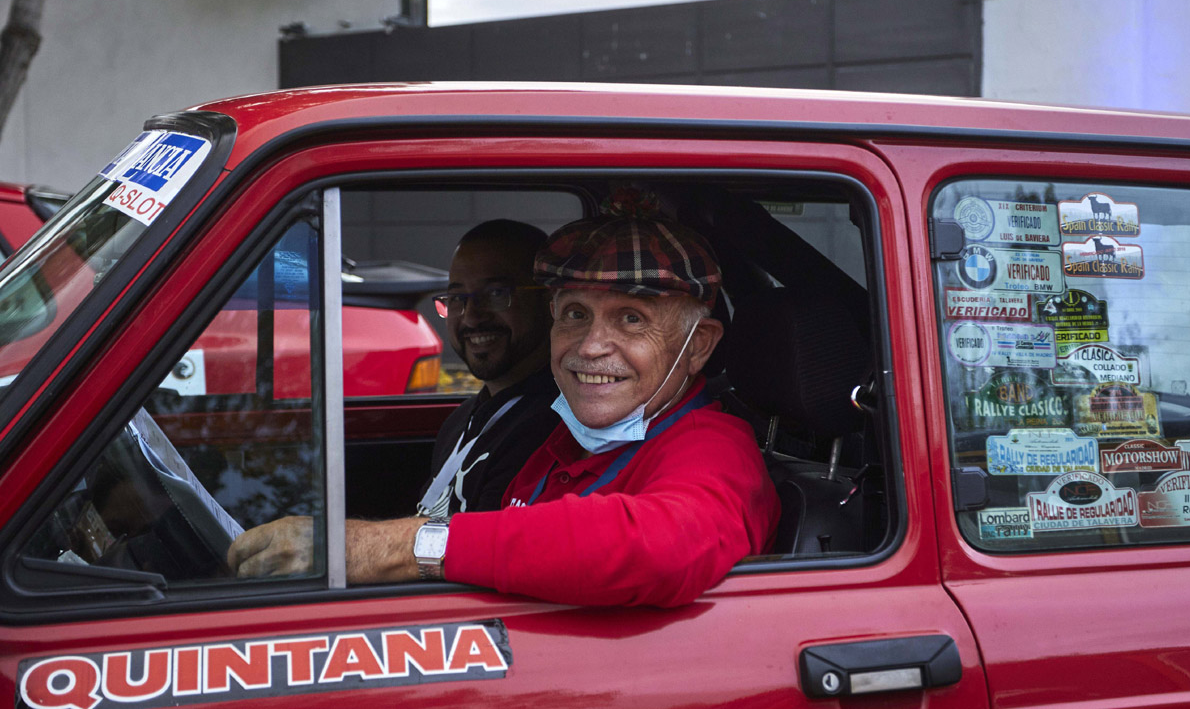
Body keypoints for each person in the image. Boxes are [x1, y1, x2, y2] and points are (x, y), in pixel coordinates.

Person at [229, 214, 779, 609]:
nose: (590, 347)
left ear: (698, 345)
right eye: (575, 315)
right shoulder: (570, 436)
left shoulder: (712, 445)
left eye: (631, 319)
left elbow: (658, 547)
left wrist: (391, 548)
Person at [419, 219, 559, 518]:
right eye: (457, 298)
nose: (471, 317)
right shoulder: (462, 420)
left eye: (495, 294)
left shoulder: (552, 428)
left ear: (549, 300)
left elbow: (484, 546)